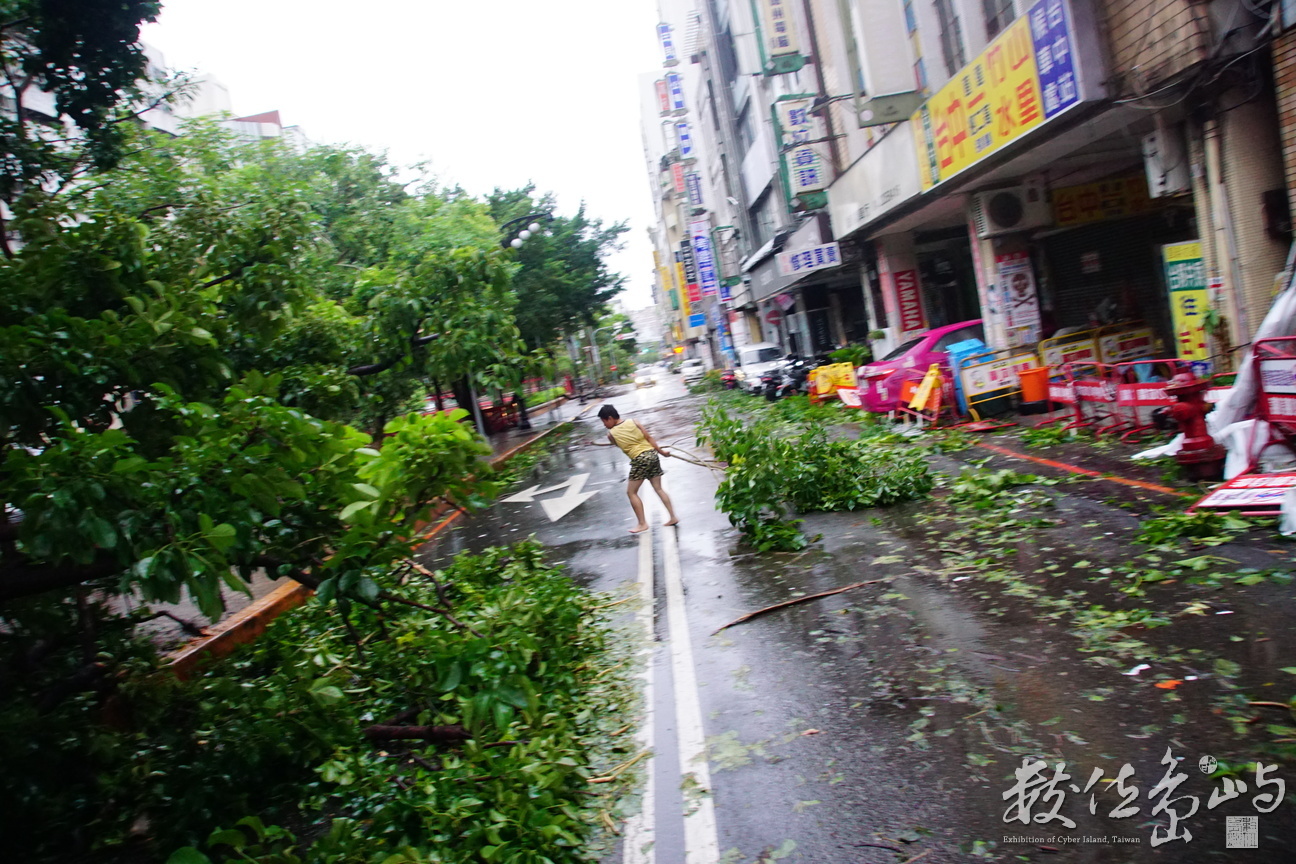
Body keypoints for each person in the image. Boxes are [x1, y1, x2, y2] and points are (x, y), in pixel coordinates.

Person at [593, 404, 679, 534]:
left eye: (604, 421)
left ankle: (642, 523)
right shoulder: (634, 422)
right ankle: (673, 517)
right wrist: (662, 452)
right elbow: (649, 438)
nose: (604, 425)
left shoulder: (611, 435)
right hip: (652, 455)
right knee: (659, 488)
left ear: (610, 418)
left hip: (640, 459)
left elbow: (620, 446)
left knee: (631, 492)